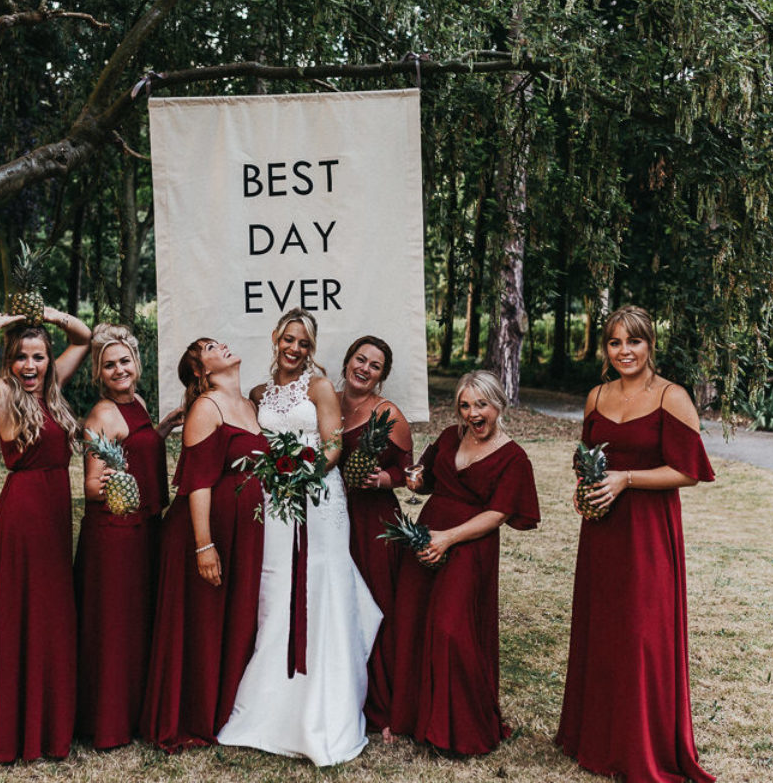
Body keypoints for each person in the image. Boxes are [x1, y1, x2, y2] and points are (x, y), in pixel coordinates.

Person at [555, 305, 716, 783]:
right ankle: (595, 739)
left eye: (634, 342)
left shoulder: (672, 397)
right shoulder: (595, 397)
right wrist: (587, 489)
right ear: (605, 349)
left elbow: (689, 471)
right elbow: (587, 461)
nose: (624, 351)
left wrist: (626, 479)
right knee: (601, 629)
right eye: (615, 342)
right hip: (602, 532)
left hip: (649, 533)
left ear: (650, 345)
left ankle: (642, 746)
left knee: (643, 634)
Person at [216, 308, 383, 766]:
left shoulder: (320, 387)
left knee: (318, 586)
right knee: (279, 589)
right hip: (275, 503)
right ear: (275, 338)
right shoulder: (258, 393)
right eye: (288, 339)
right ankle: (273, 701)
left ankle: (321, 707)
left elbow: (334, 444)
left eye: (303, 343)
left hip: (318, 498)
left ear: (312, 349)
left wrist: (305, 477)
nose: (294, 349)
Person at [0, 305, 91, 762]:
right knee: (24, 611)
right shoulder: (2, 396)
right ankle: (17, 722)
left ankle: (49, 717)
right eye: (22, 357)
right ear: (10, 361)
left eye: (39, 357)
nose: (30, 366)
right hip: (25, 514)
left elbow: (84, 338)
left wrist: (50, 315)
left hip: (54, 514)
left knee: (52, 613)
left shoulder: (52, 391)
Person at [390, 369, 540, 755]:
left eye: (481, 404)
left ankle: (455, 730)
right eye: (465, 405)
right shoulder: (447, 437)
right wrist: (416, 480)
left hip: (470, 545)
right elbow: (426, 481)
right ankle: (409, 719)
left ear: (498, 405)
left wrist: (449, 539)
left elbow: (499, 514)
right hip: (426, 538)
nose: (473, 413)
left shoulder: (514, 458)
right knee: (413, 621)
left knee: (450, 629)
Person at [141, 338, 267, 752]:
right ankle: (192, 716)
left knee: (232, 617)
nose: (224, 346)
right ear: (201, 371)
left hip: (241, 532)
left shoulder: (250, 406)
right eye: (211, 347)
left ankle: (224, 708)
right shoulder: (206, 408)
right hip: (203, 531)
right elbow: (197, 482)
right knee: (202, 622)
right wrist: (203, 546)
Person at [74, 324, 182, 749]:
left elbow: (134, 448)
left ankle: (136, 711)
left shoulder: (136, 402)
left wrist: (160, 432)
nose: (119, 370)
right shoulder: (101, 414)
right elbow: (89, 485)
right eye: (109, 365)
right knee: (115, 625)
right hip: (116, 535)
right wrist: (117, 484)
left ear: (137, 365)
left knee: (138, 622)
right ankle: (108, 722)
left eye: (125, 361)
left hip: (146, 529)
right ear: (98, 374)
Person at [336, 335, 413, 741]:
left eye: (375, 366)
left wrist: (385, 477)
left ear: (382, 376)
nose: (364, 369)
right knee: (339, 608)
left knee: (378, 606)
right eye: (360, 360)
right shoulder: (327, 402)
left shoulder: (389, 413)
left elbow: (410, 473)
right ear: (347, 361)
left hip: (374, 523)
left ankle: (385, 704)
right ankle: (342, 696)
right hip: (330, 519)